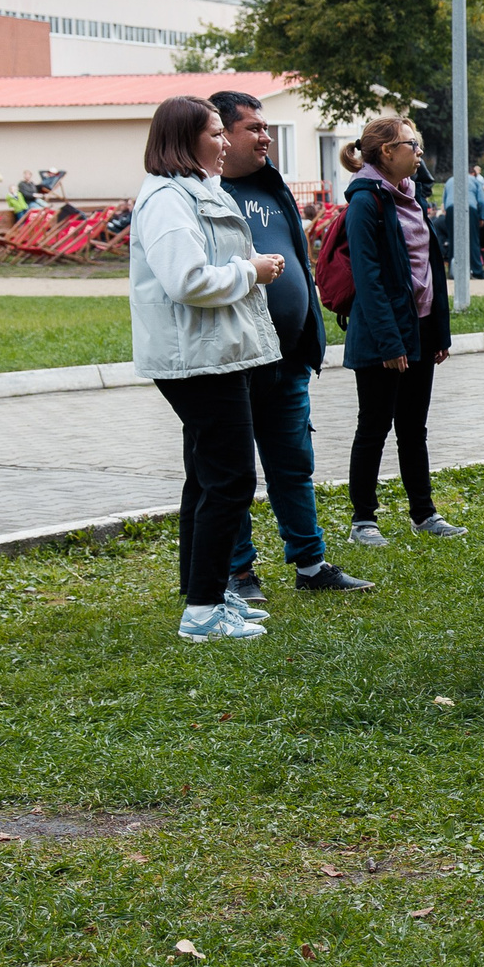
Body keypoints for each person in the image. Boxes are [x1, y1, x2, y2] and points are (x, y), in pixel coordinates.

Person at [128, 96, 285, 645]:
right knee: (231, 479)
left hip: (213, 354)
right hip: (197, 361)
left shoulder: (198, 190)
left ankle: (207, 593)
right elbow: (187, 280)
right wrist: (251, 271)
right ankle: (202, 613)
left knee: (206, 477)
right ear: (184, 139)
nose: (224, 143)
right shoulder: (167, 200)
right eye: (216, 133)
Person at [212, 88, 373, 608]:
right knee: (233, 470)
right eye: (253, 128)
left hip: (288, 358)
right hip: (235, 360)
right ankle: (238, 572)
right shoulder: (204, 194)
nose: (265, 137)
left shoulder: (271, 184)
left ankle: (311, 564)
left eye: (266, 128)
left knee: (293, 464)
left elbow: (296, 259)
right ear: (220, 134)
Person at [339, 117, 465, 548]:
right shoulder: (365, 200)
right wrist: (390, 342)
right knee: (373, 427)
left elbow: (430, 267)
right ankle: (363, 521)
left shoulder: (412, 195)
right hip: (382, 334)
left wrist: (439, 333)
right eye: (412, 145)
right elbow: (368, 277)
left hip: (420, 328)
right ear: (387, 152)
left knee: (414, 427)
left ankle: (424, 513)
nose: (419, 152)